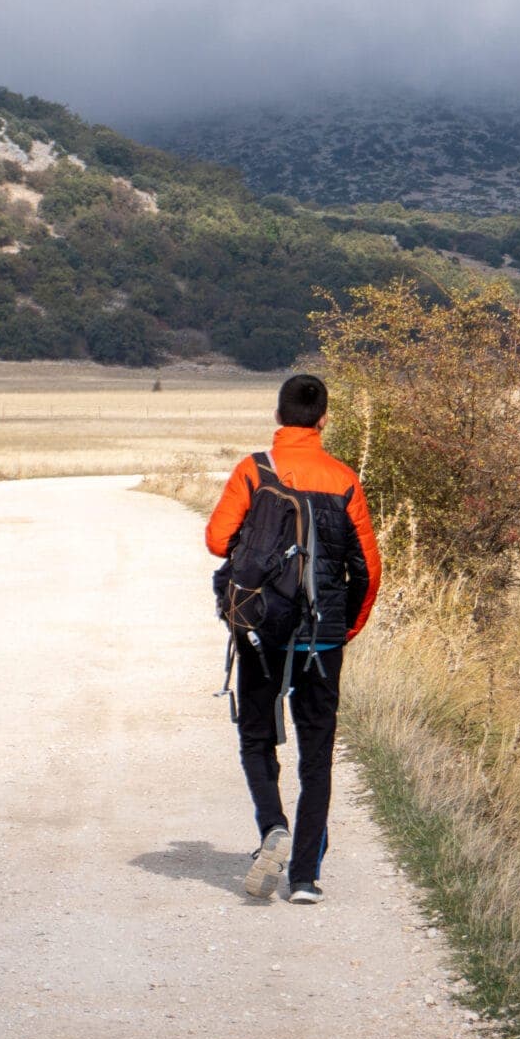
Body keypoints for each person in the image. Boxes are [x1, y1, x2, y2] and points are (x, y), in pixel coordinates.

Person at [205, 374, 381, 904]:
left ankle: (271, 829)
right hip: (320, 640)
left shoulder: (254, 470)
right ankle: (305, 875)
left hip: (260, 631)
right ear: (323, 419)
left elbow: (216, 542)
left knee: (257, 736)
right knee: (317, 753)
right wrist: (344, 627)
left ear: (278, 417)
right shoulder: (344, 478)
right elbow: (367, 570)